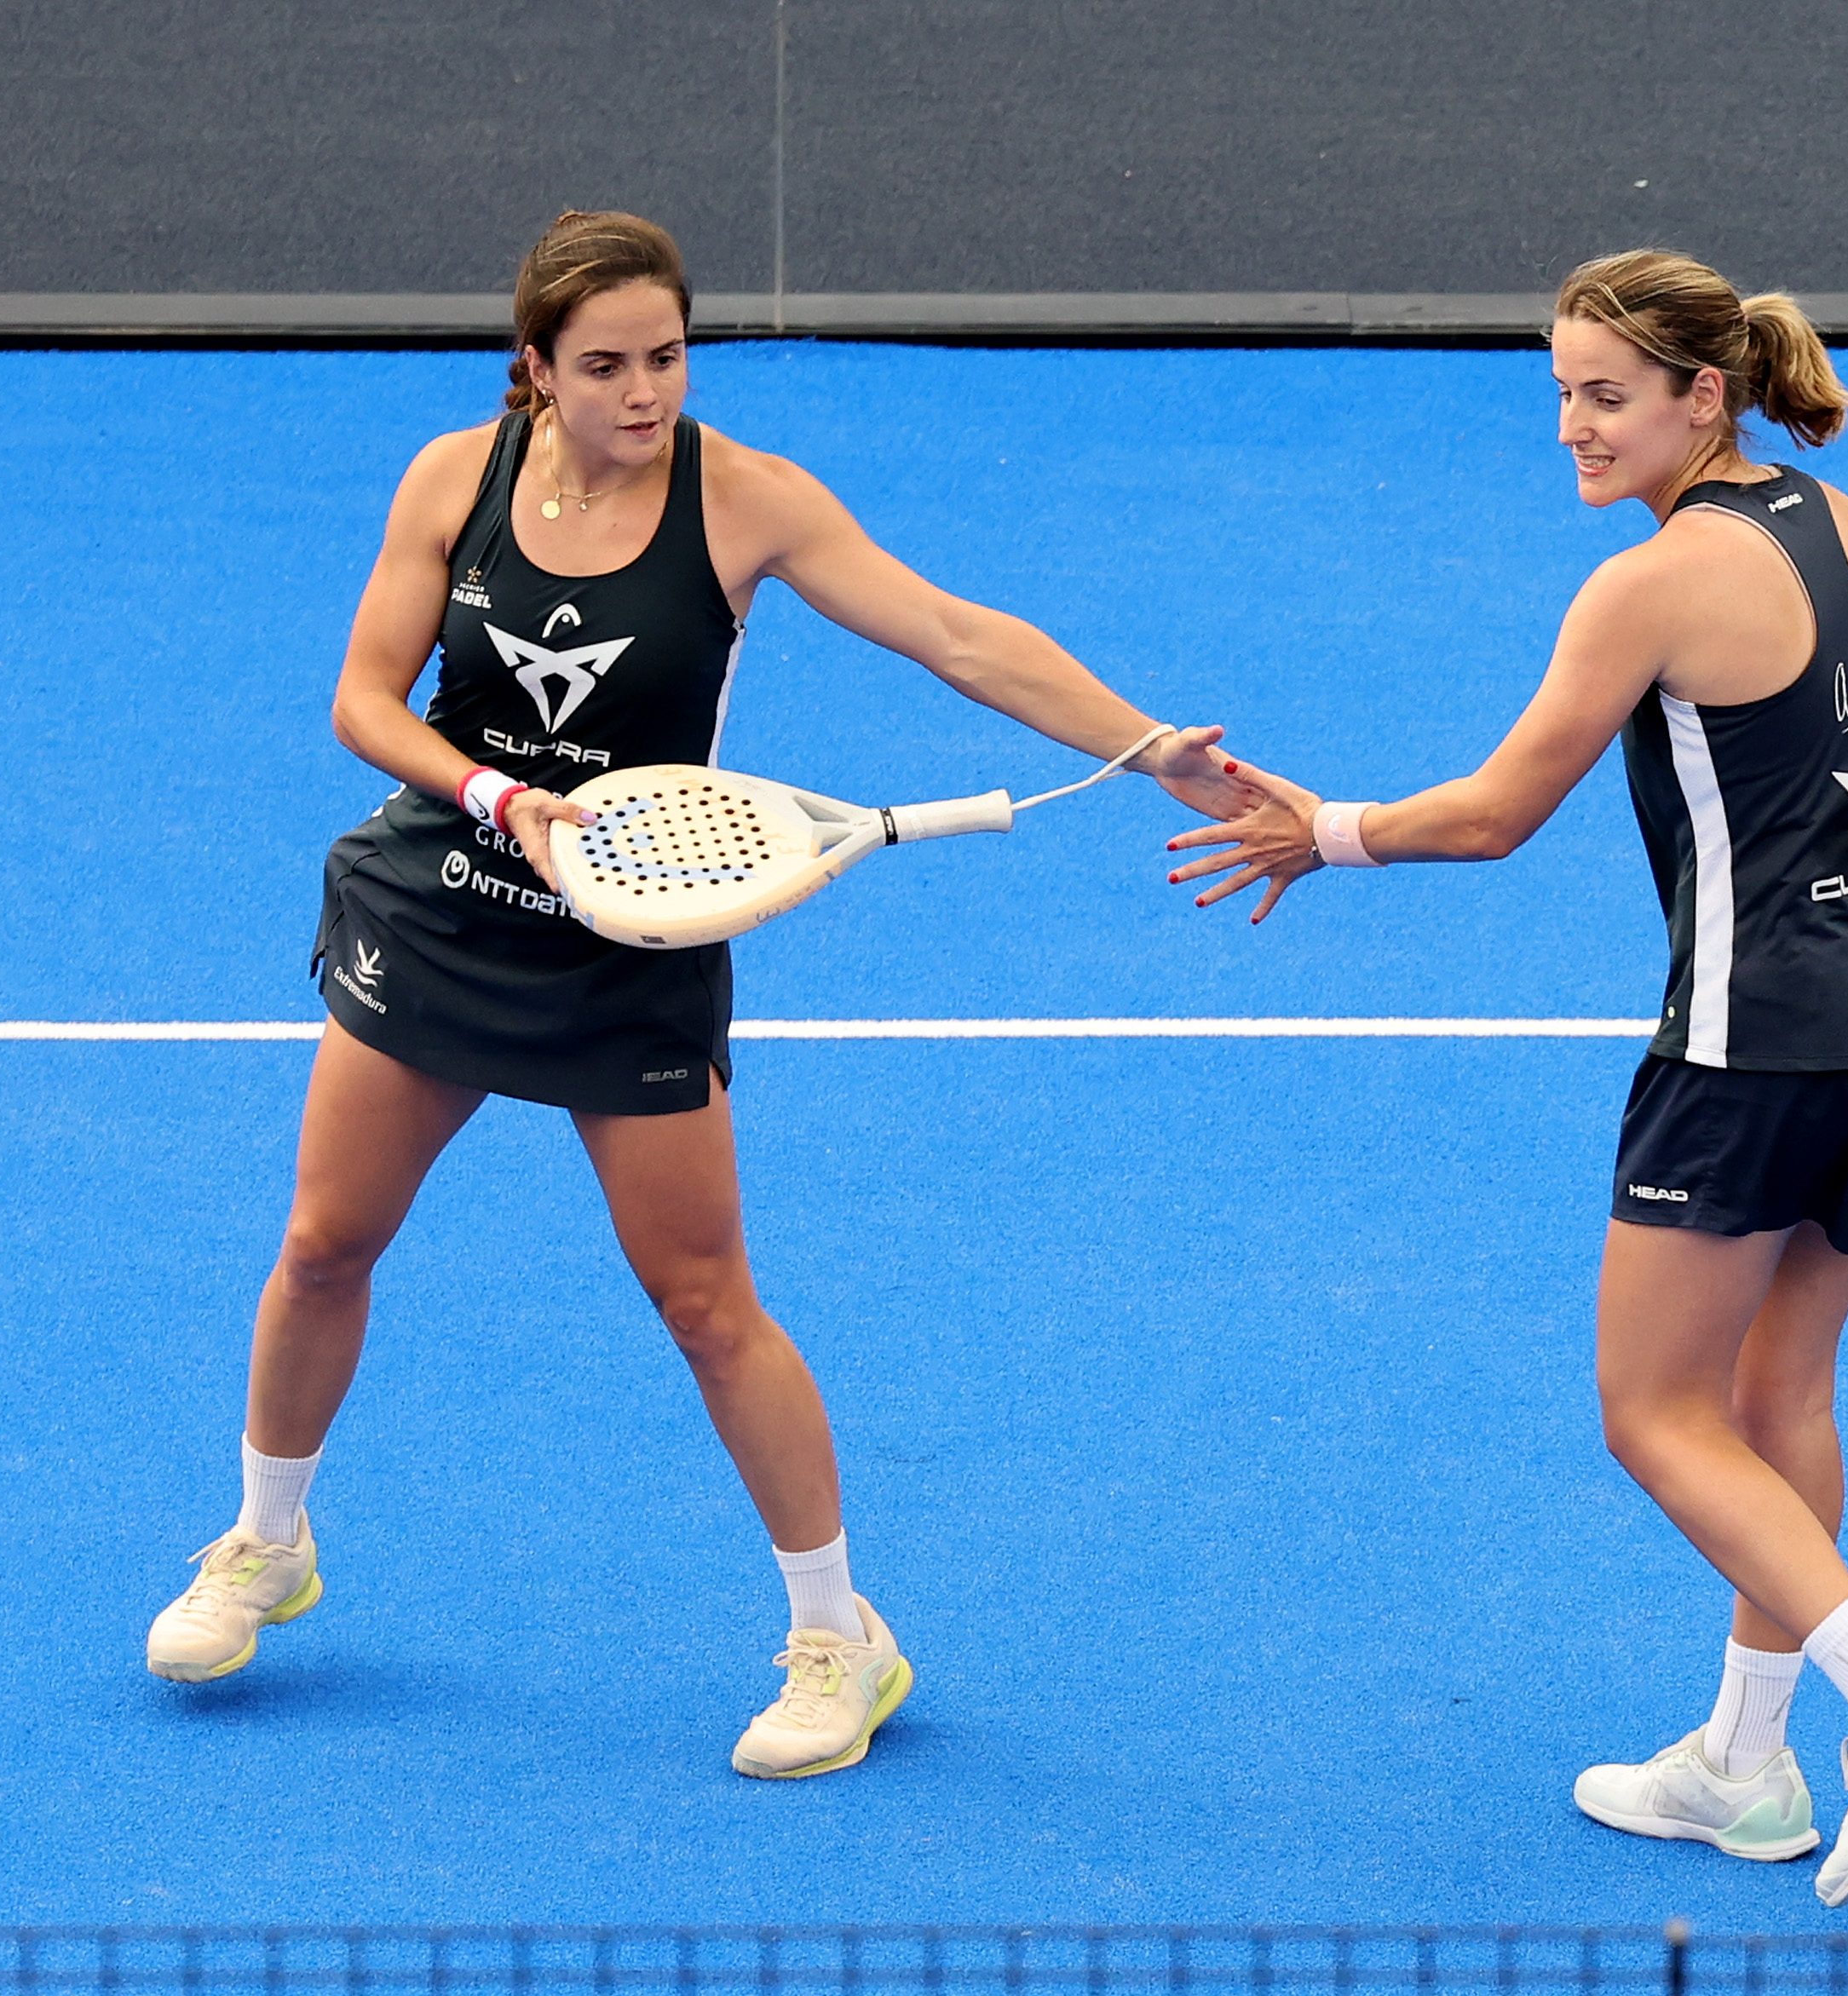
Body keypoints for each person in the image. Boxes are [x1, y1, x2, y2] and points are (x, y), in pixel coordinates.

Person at [144, 210, 1255, 1780]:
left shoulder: (745, 500)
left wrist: (1147, 750)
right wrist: (500, 797)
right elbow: (364, 702)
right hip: (447, 897)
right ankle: (267, 1541)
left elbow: (955, 635)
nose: (645, 391)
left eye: (665, 357)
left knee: (705, 1303)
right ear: (536, 368)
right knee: (326, 1243)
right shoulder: (453, 478)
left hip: (636, 938)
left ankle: (841, 1639)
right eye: (605, 365)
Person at [1170, 248, 1848, 1907]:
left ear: (1700, 396)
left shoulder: (1646, 588)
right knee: (1779, 1402)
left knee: (1653, 1411)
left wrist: (1320, 831)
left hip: (1749, 1049)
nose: (1573, 428)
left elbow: (1499, 811)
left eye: (1604, 396)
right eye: (1562, 395)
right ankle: (1741, 1764)